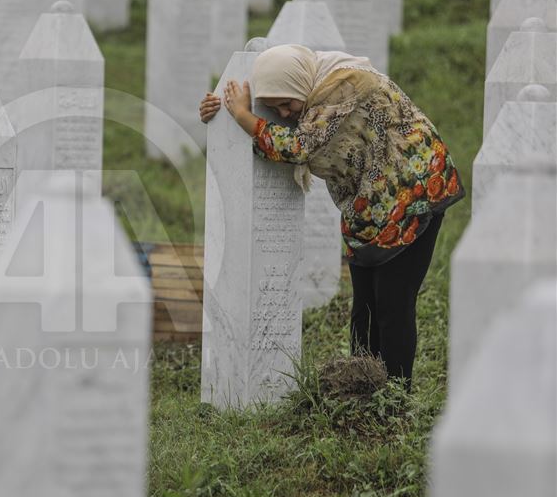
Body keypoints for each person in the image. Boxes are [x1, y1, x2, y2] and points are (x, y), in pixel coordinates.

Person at [198, 44, 465, 387]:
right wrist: (218, 113)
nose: (285, 112)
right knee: (364, 309)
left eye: (287, 104)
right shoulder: (313, 94)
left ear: (300, 86)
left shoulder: (343, 86)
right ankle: (362, 392)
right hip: (371, 207)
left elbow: (298, 147)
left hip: (415, 194)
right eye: (275, 107)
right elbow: (282, 135)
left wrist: (242, 117)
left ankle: (395, 400)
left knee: (392, 305)